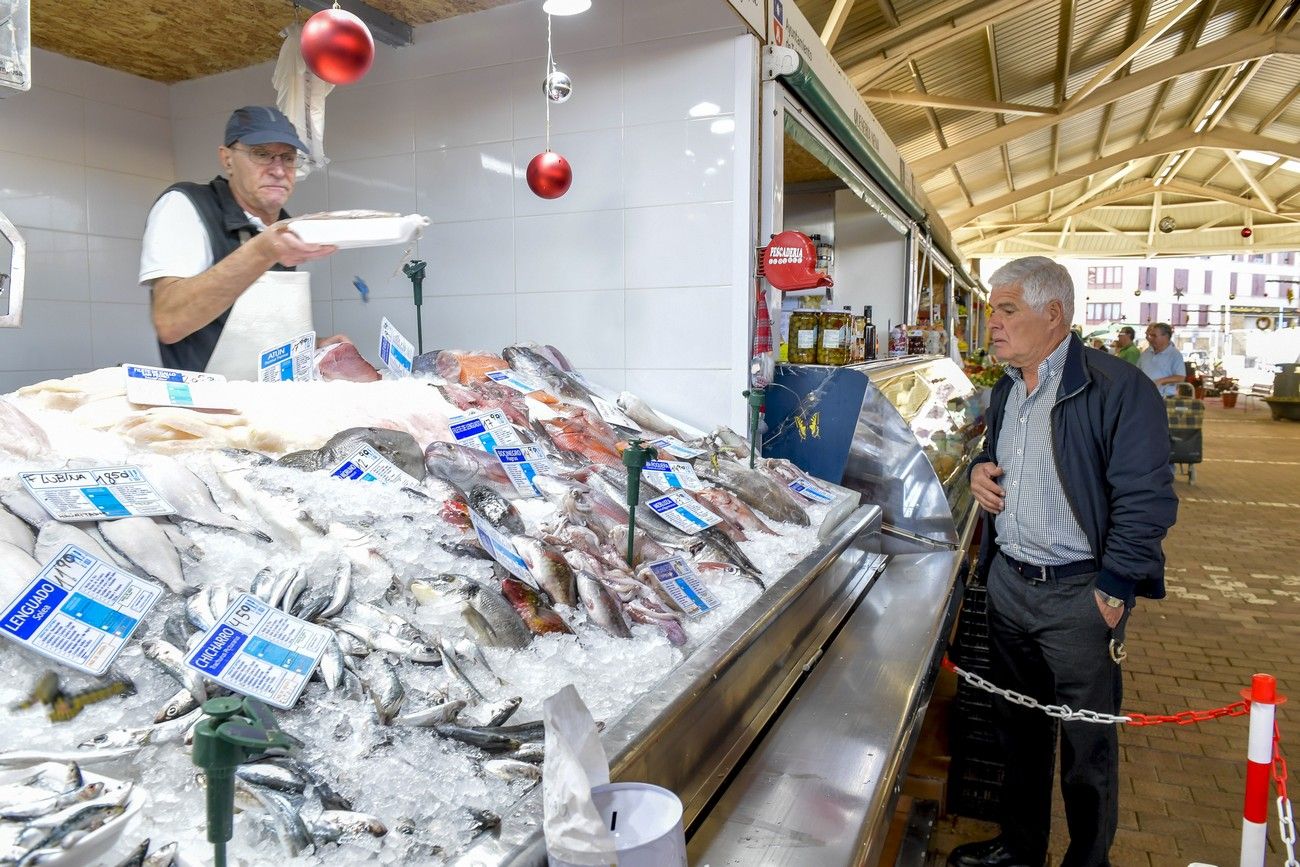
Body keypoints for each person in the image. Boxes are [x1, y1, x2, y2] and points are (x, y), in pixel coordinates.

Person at [951, 257, 1177, 867]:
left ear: (1054, 314)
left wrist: (1115, 584)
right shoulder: (1005, 389)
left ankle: (1086, 860)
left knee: (1087, 748)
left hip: (1080, 595)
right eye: (991, 310)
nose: (991, 324)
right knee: (1015, 734)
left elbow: (1146, 496)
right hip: (1010, 586)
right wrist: (978, 472)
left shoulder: (1116, 388)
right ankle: (1021, 849)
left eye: (1006, 310)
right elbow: (1001, 461)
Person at [139, 106, 346, 378]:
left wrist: (315, 350)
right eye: (261, 154)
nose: (278, 170)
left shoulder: (285, 226)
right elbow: (170, 322)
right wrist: (262, 251)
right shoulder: (187, 205)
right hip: (204, 408)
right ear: (227, 159)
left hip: (269, 403)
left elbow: (255, 335)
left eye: (288, 157)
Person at [1138, 322, 1186, 397]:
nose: (1150, 338)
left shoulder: (1175, 355)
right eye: (1151, 335)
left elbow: (1181, 377)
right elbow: (1138, 371)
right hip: (1144, 394)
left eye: (1154, 336)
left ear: (1165, 337)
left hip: (1164, 397)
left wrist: (1161, 381)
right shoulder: (1146, 352)